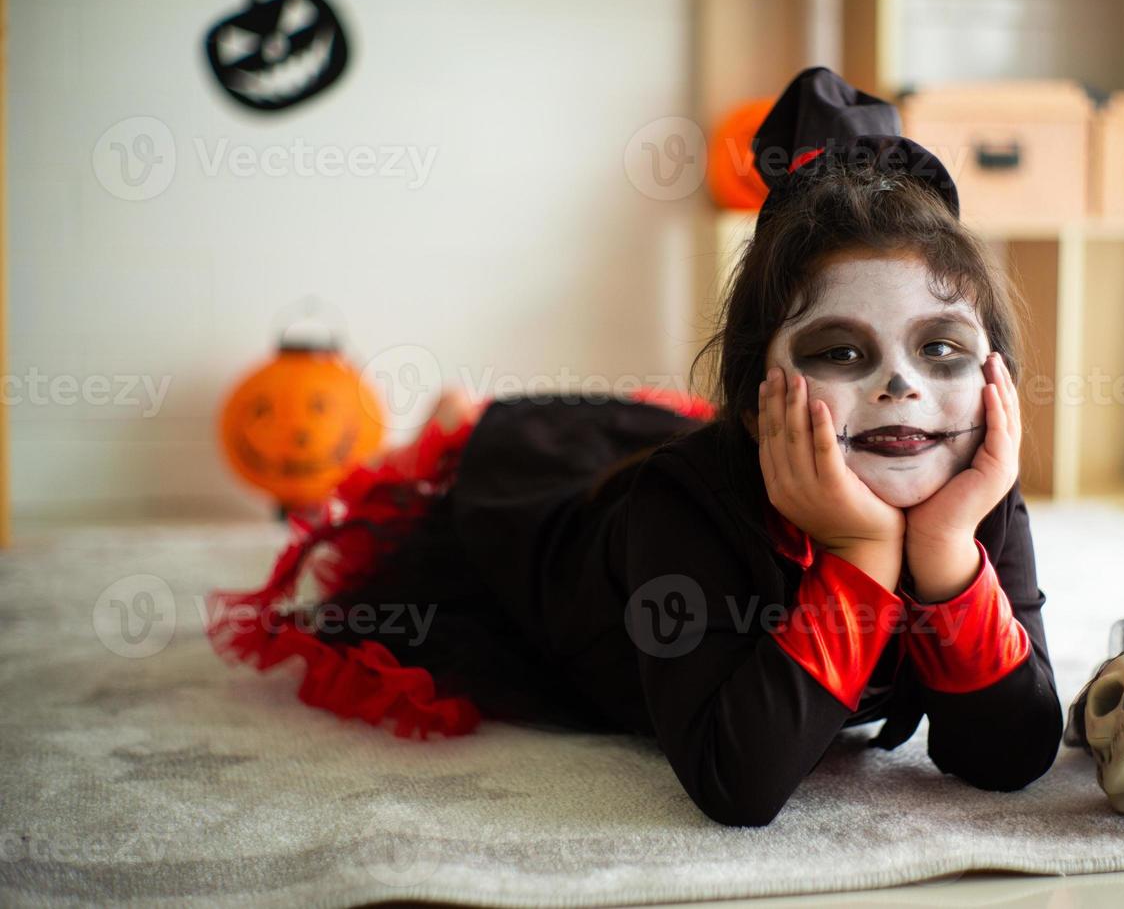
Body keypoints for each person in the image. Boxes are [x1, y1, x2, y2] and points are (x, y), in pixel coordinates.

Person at [206, 66, 1064, 827]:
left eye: (941, 349)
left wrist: (948, 554)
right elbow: (738, 785)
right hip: (568, 546)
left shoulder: (966, 482)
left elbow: (1007, 760)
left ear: (994, 375)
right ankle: (461, 427)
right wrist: (860, 550)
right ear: (754, 382)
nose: (902, 388)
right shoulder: (676, 510)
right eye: (839, 350)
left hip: (687, 459)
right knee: (499, 475)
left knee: (621, 432)